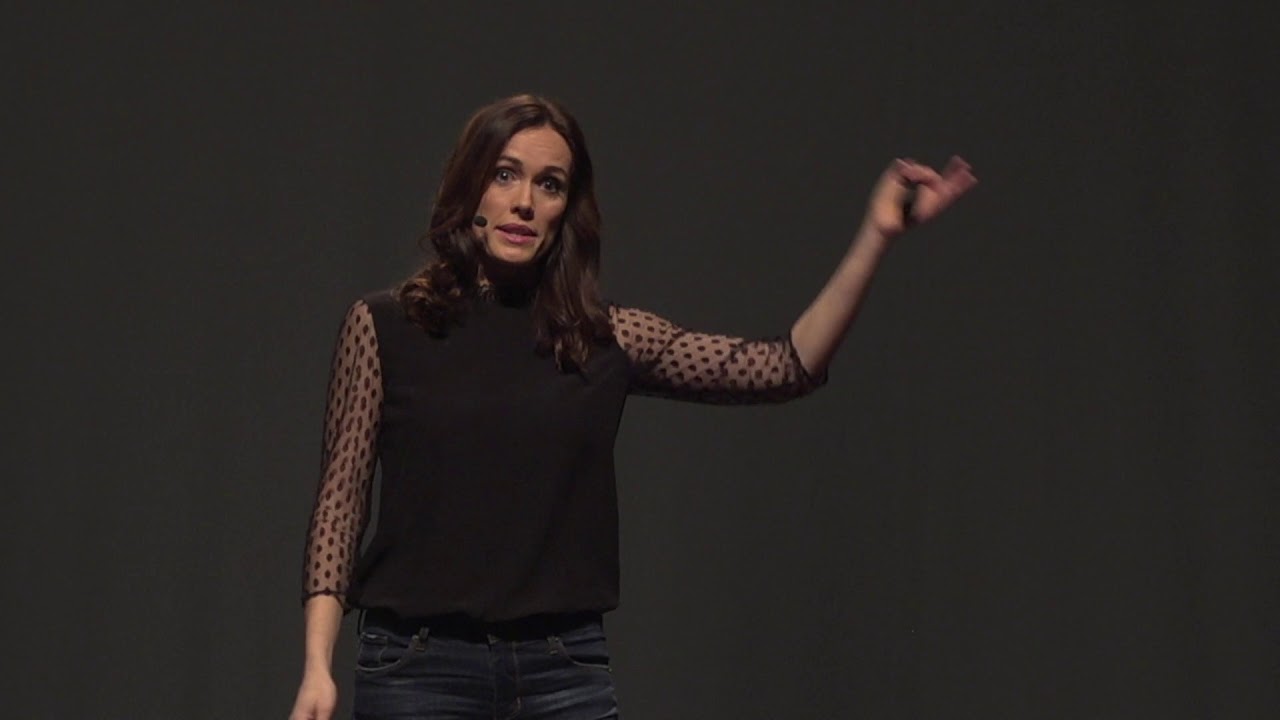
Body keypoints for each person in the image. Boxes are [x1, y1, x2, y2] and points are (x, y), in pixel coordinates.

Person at [288, 93, 976, 720]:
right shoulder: (385, 327)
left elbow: (785, 366)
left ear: (566, 210)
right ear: (470, 186)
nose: (524, 202)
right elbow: (340, 504)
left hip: (562, 671)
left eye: (549, 184)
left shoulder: (601, 337)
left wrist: (876, 236)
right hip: (417, 670)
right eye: (505, 175)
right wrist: (318, 667)